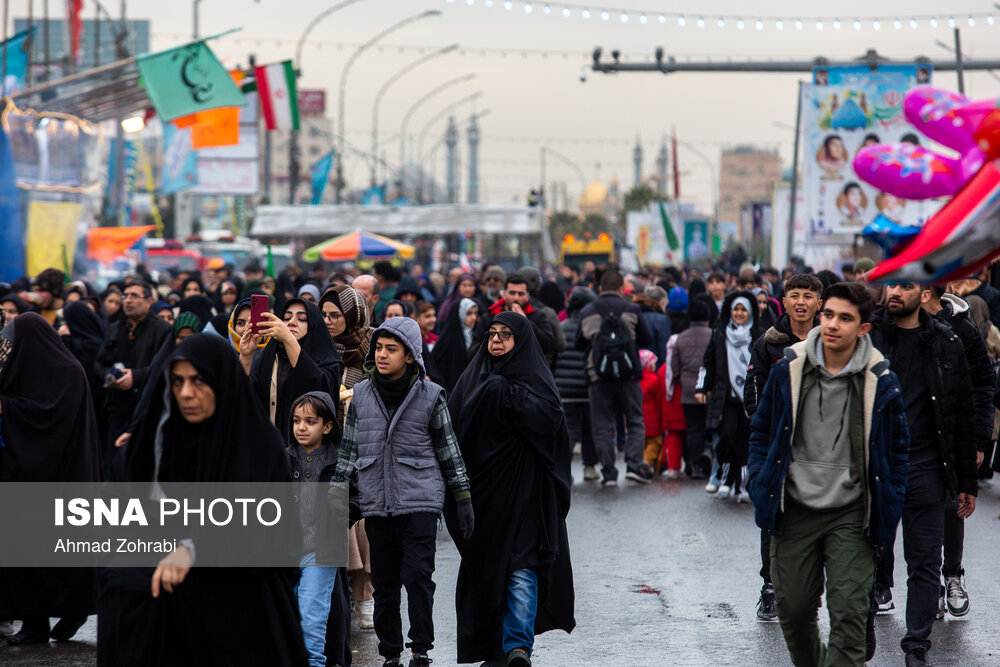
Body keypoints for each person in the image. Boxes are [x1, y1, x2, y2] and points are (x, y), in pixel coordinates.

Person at [98, 334, 308, 666]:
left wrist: (196, 548)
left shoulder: (255, 446)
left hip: (236, 621)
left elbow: (266, 529)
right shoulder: (158, 443)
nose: (185, 393)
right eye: (177, 381)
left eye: (198, 380)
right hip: (162, 624)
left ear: (220, 381)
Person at [748, 281, 908, 667]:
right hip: (794, 508)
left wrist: (888, 507)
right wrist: (760, 482)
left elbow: (898, 450)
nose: (833, 324)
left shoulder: (880, 379)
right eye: (830, 315)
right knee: (794, 611)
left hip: (852, 514)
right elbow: (761, 429)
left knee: (850, 619)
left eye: (845, 318)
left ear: (863, 328)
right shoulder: (788, 367)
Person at [328, 317, 473, 667]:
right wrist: (335, 496)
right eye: (378, 347)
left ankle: (420, 648)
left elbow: (448, 449)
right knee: (386, 584)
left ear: (410, 356)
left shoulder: (431, 396)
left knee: (419, 578)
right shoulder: (361, 395)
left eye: (391, 349)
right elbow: (349, 451)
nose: (382, 355)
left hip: (419, 499)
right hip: (376, 502)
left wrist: (462, 495)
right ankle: (390, 652)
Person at [445, 311, 575, 666]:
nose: (497, 340)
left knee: (521, 567)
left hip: (526, 494)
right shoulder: (475, 377)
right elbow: (454, 426)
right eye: (492, 334)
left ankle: (518, 647)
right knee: (487, 569)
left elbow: (551, 422)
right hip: (484, 496)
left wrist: (509, 396)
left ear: (521, 341)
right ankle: (495, 644)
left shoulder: (535, 379)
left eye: (506, 335)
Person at [868, 281, 977, 667]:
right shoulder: (866, 335)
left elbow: (960, 415)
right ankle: (862, 624)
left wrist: (966, 482)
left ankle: (916, 646)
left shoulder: (946, 343)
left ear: (925, 294)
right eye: (892, 284)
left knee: (925, 563)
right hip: (874, 467)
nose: (895, 291)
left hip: (927, 468)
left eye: (907, 285)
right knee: (866, 554)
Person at [0, 313, 102, 645]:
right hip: (25, 475)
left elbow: (49, 417)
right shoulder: (19, 371)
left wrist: (9, 410)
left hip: (63, 477)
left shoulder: (68, 373)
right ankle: (34, 622)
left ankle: (74, 611)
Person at [743, 273, 823, 622]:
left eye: (808, 295)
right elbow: (754, 391)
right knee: (772, 518)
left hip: (822, 448)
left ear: (820, 303)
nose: (801, 302)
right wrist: (766, 428)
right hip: (779, 445)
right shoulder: (769, 342)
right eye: (795, 295)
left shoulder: (831, 339)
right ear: (784, 300)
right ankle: (770, 586)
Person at [922, 285, 995, 619]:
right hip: (915, 436)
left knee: (953, 506)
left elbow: (982, 385)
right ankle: (927, 587)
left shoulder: (962, 330)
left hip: (953, 436)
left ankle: (952, 575)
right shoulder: (897, 327)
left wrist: (978, 441)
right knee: (921, 512)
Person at [575, 269, 654, 486]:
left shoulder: (587, 311)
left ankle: (609, 472)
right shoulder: (632, 309)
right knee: (636, 419)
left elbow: (578, 343)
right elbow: (646, 338)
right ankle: (634, 466)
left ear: (600, 288)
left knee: (603, 423)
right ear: (621, 289)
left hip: (597, 374)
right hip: (629, 374)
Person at [287, 392, 348, 667]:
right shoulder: (282, 459)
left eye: (310, 421)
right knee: (287, 621)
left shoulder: (340, 462)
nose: (301, 427)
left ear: (327, 426)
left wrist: (342, 511)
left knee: (312, 617)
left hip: (322, 551)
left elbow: (358, 497)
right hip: (283, 553)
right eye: (297, 420)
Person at [695, 291, 764, 502]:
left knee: (745, 442)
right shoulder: (720, 334)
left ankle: (743, 486)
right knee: (726, 435)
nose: (739, 313)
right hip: (726, 396)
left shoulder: (758, 335)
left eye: (744, 309)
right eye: (736, 309)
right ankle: (723, 478)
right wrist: (701, 388)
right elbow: (708, 363)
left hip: (750, 398)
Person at [94, 280, 172, 459]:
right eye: (125, 296)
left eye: (134, 296)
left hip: (146, 405)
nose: (128, 300)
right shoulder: (117, 328)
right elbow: (99, 362)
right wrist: (109, 376)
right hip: (117, 405)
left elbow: (164, 366)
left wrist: (135, 377)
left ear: (148, 302)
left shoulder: (163, 330)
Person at [240, 297, 344, 431]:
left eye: (302, 319)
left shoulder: (329, 362)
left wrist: (289, 339)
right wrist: (246, 356)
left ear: (314, 325)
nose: (292, 323)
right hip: (267, 445)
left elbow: (318, 385)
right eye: (287, 318)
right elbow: (243, 397)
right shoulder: (266, 357)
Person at [553, 287, 599, 481]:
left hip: (564, 390)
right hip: (588, 387)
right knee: (590, 429)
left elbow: (553, 360)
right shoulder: (592, 328)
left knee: (568, 430)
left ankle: (565, 470)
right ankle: (590, 467)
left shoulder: (561, 327)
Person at [671, 299, 714, 479]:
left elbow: (674, 366)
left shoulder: (681, 337)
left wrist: (683, 379)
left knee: (693, 428)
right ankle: (710, 460)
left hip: (688, 390)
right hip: (709, 389)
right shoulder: (713, 334)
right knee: (710, 426)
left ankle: (695, 464)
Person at [478, 273, 557, 364]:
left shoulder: (538, 316)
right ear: (504, 294)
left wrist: (526, 321)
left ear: (527, 296)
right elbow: (477, 347)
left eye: (520, 294)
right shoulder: (490, 316)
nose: (516, 298)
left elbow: (547, 346)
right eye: (512, 293)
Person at [432, 297, 479, 393]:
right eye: (469, 313)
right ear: (460, 314)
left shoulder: (471, 335)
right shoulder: (449, 340)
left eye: (475, 313)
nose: (473, 317)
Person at [639, 349, 667, 472]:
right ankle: (647, 463)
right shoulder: (654, 380)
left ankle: (644, 463)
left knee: (643, 444)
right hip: (653, 422)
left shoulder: (636, 381)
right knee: (654, 444)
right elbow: (659, 401)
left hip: (639, 419)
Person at [635, 285, 671, 367]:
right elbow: (664, 350)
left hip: (636, 368)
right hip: (654, 368)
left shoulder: (635, 315)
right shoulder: (662, 320)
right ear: (661, 302)